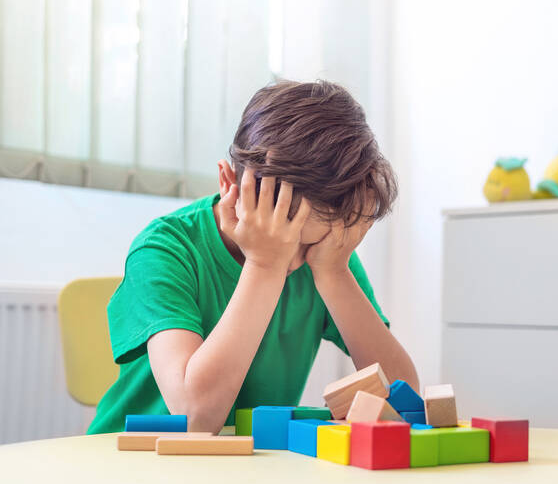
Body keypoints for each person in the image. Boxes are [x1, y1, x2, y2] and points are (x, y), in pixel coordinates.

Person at [87, 80, 418, 434]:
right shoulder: (165, 249)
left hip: (239, 467)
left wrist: (334, 271)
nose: (293, 261)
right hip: (132, 461)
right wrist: (265, 265)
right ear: (230, 184)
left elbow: (405, 401)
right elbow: (195, 417)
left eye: (308, 246)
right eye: (281, 237)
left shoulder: (326, 255)